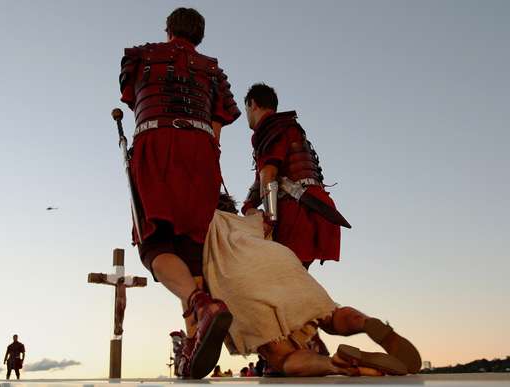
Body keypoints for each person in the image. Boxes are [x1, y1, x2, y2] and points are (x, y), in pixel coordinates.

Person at [119, 7, 240, 379]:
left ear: (168, 28)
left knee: (155, 245)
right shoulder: (214, 70)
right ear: (200, 35)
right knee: (191, 247)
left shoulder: (139, 56)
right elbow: (218, 125)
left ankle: (199, 305)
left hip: (155, 142)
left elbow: (130, 95)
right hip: (202, 151)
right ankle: (195, 338)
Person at [202, 198, 421, 376]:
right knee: (329, 315)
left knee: (281, 356)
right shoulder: (251, 220)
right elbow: (267, 218)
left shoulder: (199, 220)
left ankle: (336, 364)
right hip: (279, 260)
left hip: (239, 278)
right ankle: (366, 323)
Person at [241, 83, 346, 270]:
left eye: (247, 108)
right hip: (316, 205)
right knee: (292, 277)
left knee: (282, 277)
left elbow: (269, 174)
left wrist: (270, 219)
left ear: (253, 104)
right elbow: (263, 179)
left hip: (296, 209)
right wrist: (248, 205)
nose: (247, 115)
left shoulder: (269, 127)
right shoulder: (288, 126)